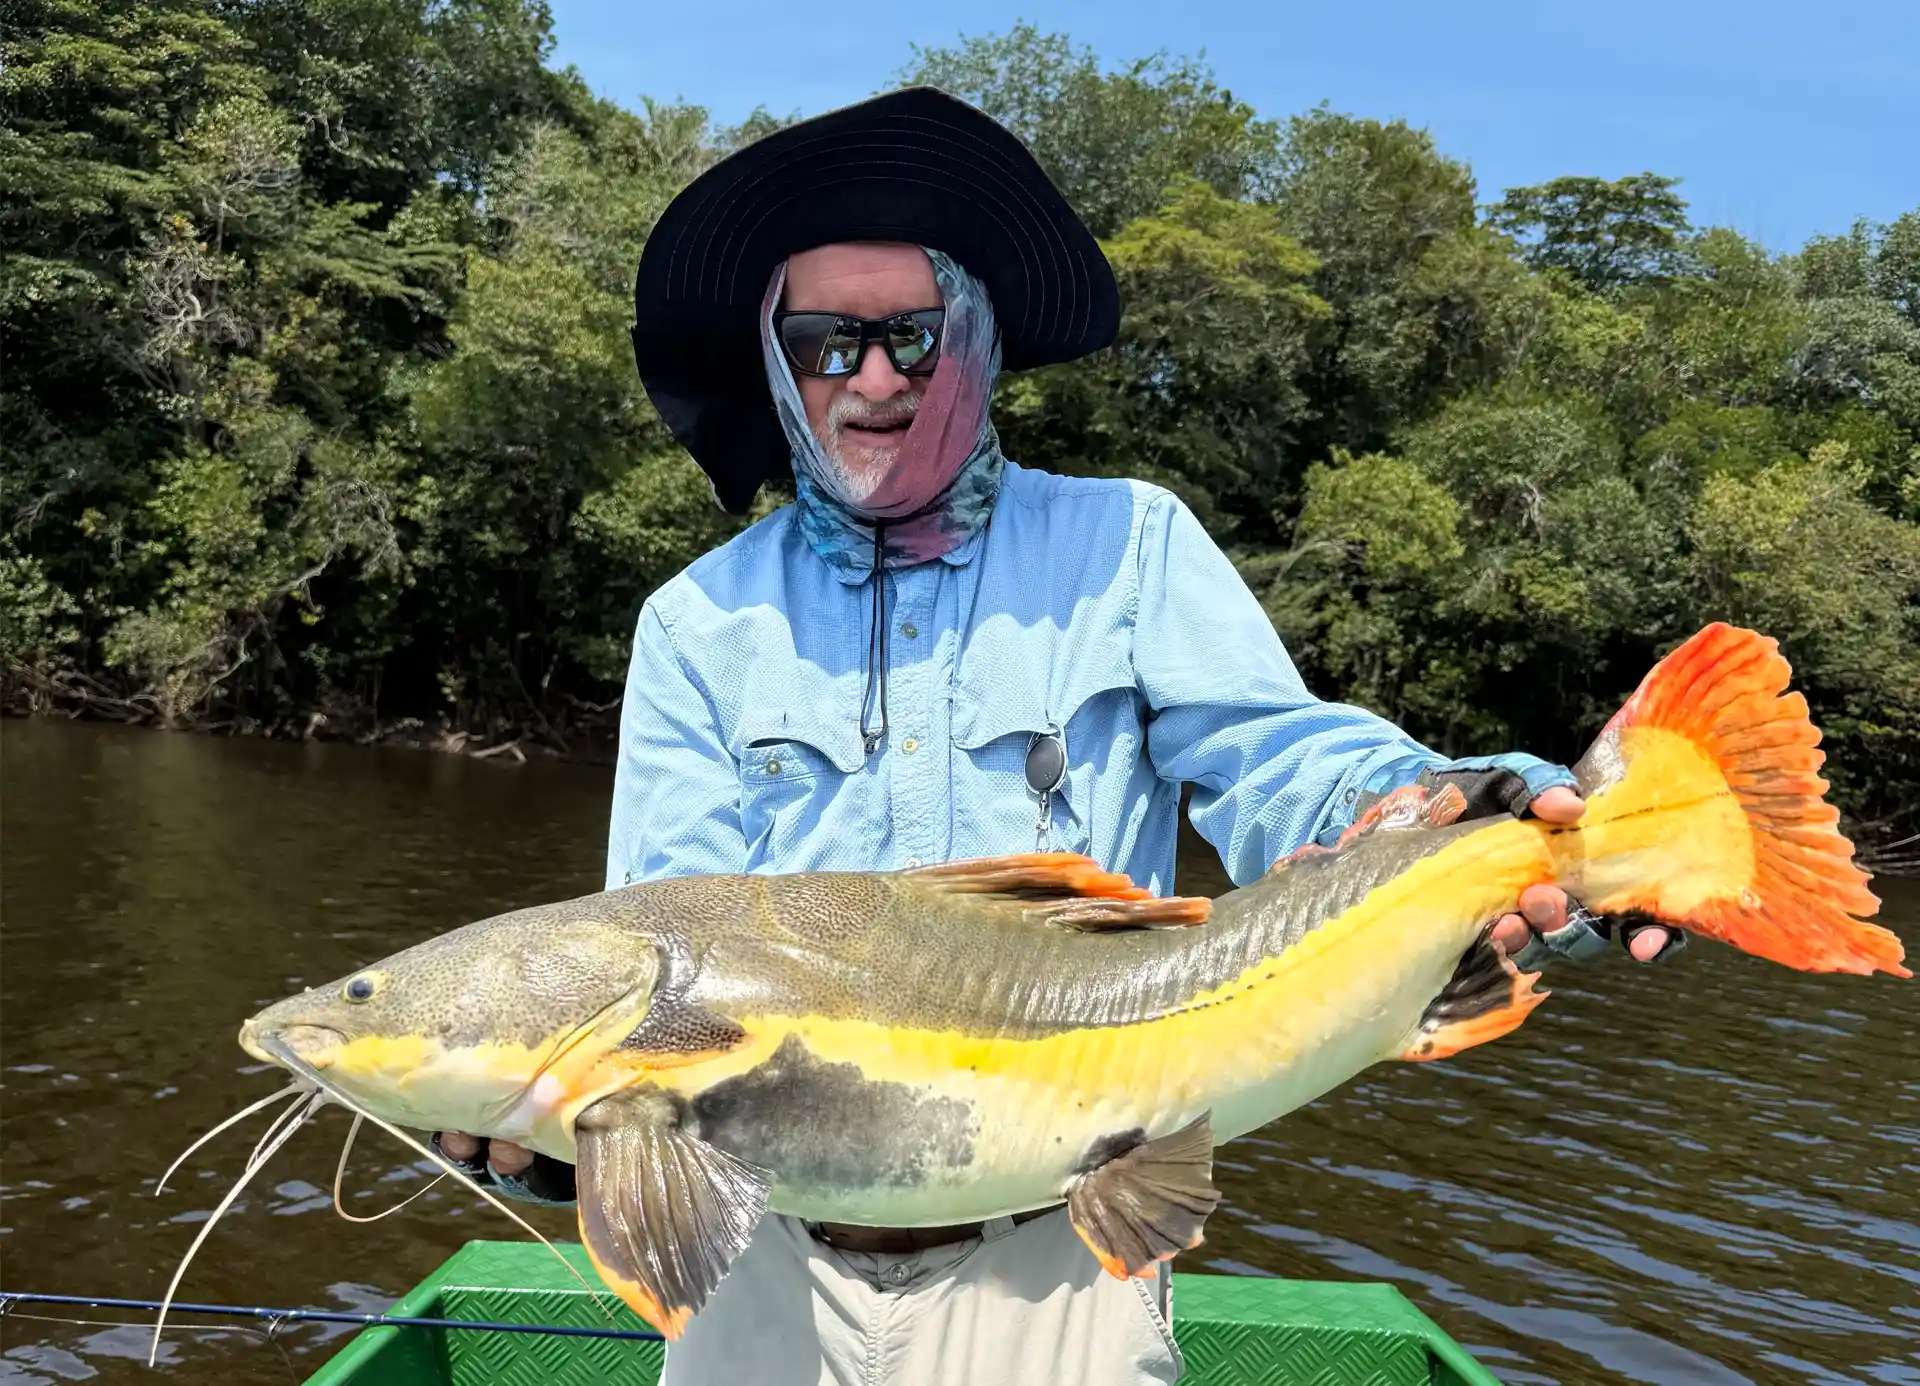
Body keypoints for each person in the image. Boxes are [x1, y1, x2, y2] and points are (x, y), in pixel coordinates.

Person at [435, 86, 1679, 1385]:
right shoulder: (694, 622)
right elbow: (661, 957)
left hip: (1065, 1252)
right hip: (767, 1261)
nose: (867, 379)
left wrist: (1475, 805)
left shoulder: (1130, 550)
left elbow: (1297, 769)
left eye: (909, 338)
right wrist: (565, 1139)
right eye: (823, 341)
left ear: (974, 336)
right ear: (776, 360)